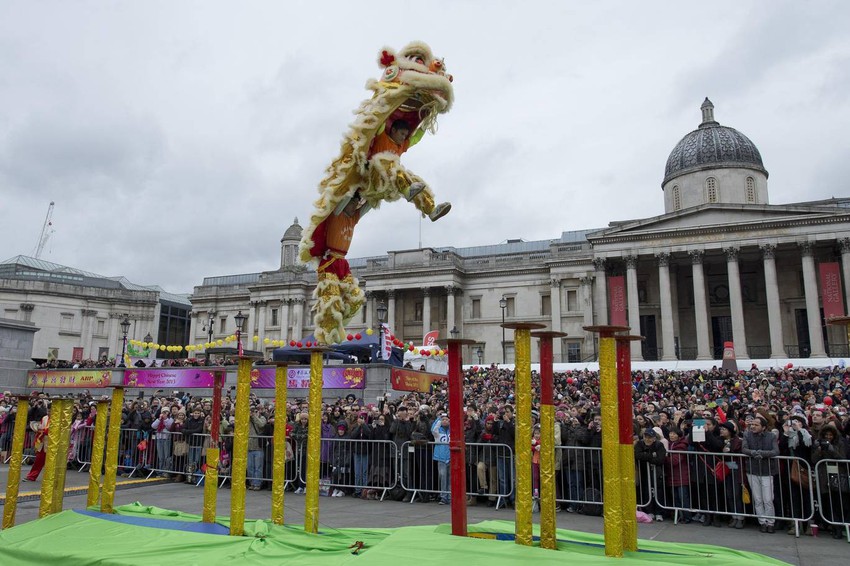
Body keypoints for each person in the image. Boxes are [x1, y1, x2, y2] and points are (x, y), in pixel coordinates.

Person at [307, 192, 367, 344]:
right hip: (329, 262)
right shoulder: (336, 213)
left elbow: (369, 205)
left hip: (343, 264)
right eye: (354, 202)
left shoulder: (353, 218)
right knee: (330, 302)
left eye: (358, 203)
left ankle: (338, 327)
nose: (357, 205)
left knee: (356, 299)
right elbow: (344, 196)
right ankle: (324, 337)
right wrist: (351, 182)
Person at [742, 415, 779, 533]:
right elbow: (744, 449)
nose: (752, 426)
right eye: (752, 424)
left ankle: (770, 522)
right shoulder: (747, 435)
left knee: (768, 499)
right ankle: (762, 522)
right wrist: (753, 453)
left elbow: (775, 451)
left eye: (756, 425)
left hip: (767, 471)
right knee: (757, 499)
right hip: (752, 470)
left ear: (763, 427)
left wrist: (762, 454)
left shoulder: (771, 436)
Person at [635, 428, 667, 521]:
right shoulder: (640, 444)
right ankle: (649, 511)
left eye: (650, 437)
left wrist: (647, 457)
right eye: (646, 437)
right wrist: (651, 456)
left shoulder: (659, 445)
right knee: (646, 490)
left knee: (658, 491)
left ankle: (659, 512)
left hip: (656, 472)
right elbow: (637, 455)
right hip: (644, 471)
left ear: (654, 438)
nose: (647, 439)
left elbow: (660, 459)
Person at [431, 412, 450, 505]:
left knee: (450, 477)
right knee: (443, 477)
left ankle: (450, 496)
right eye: (443, 420)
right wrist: (439, 418)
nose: (445, 421)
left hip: (450, 457)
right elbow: (433, 429)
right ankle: (443, 496)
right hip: (441, 457)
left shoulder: (451, 431)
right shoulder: (438, 432)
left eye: (447, 419)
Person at [247, 406, 267, 490]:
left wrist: (255, 416)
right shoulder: (248, 419)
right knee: (250, 467)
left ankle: (257, 484)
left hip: (258, 446)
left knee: (258, 467)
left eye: (254, 411)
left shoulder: (262, 418)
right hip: (249, 446)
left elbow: (261, 425)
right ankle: (251, 483)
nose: (252, 412)